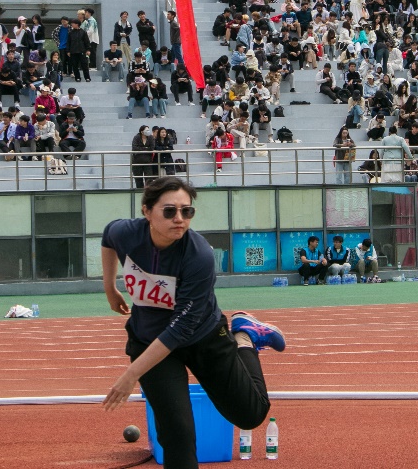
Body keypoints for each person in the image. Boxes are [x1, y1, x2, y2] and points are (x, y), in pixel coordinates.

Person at [101, 178, 284, 469]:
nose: (179, 219)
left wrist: (131, 374)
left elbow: (179, 329)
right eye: (169, 211)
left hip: (202, 336)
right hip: (149, 340)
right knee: (177, 435)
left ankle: (245, 335)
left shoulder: (199, 256)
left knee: (251, 414)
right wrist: (110, 287)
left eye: (187, 211)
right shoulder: (127, 233)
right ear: (147, 211)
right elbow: (108, 237)